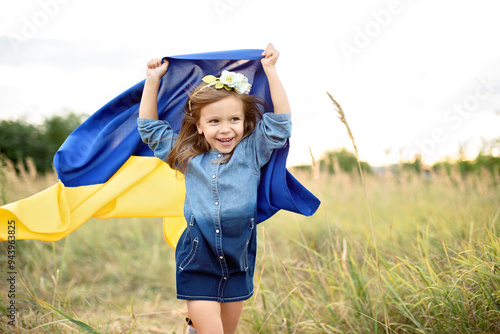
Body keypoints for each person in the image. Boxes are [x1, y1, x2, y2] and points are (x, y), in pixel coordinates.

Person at [137, 43, 291, 334]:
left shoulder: (252, 153)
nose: (225, 129)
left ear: (245, 124)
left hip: (238, 260)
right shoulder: (189, 159)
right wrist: (152, 80)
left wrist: (270, 71)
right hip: (198, 258)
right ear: (199, 126)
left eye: (234, 119)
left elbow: (280, 124)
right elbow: (149, 129)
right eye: (214, 121)